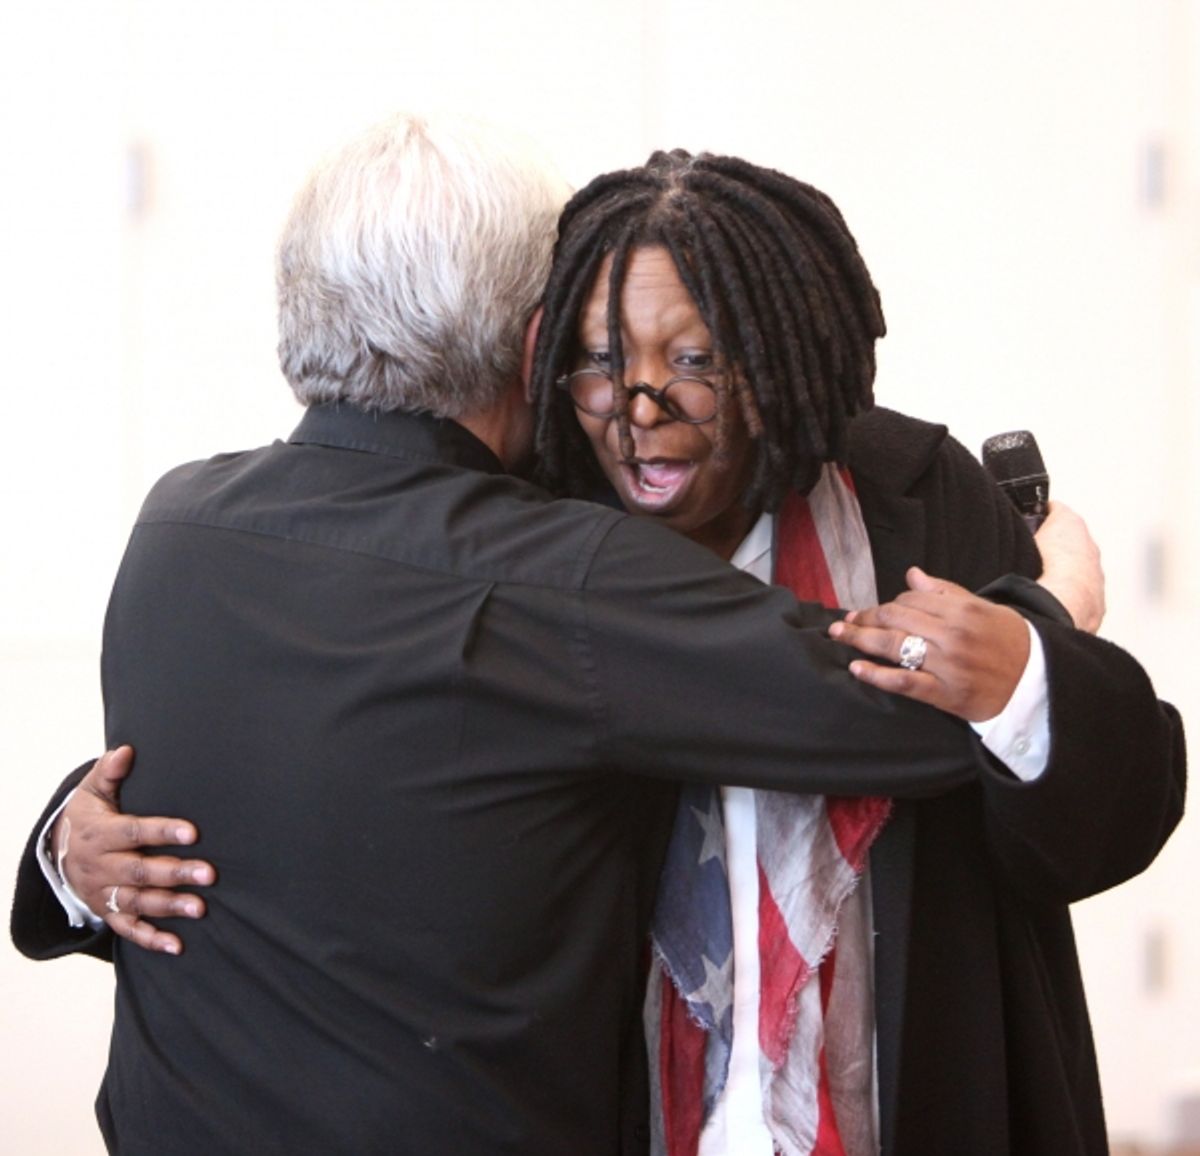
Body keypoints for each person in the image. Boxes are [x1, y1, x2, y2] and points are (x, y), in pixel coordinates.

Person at [11, 130, 1183, 1156]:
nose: (640, 403)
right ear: (541, 354)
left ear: (776, 354)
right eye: (601, 357)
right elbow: (341, 731)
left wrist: (1032, 677)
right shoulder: (548, 545)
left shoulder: (913, 502)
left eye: (694, 357)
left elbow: (1089, 804)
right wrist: (1058, 608)